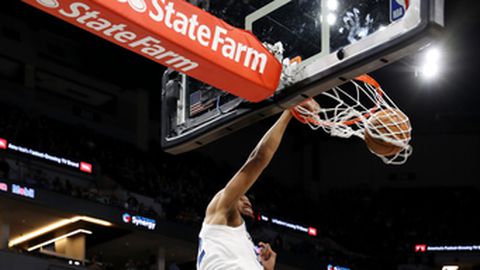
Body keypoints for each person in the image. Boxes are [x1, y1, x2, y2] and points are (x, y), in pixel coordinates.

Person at [197, 102, 318, 270]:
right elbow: (259, 158)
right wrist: (290, 110)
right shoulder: (220, 207)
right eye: (241, 197)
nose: (247, 201)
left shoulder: (233, 240)